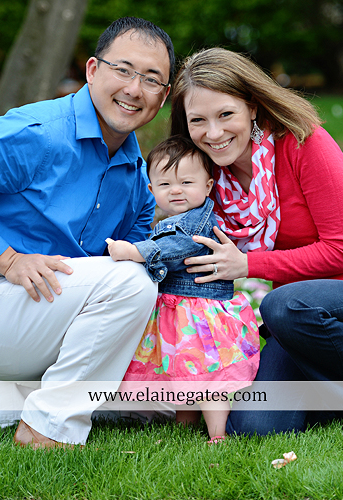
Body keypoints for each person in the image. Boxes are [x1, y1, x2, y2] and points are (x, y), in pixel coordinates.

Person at [0, 17, 175, 449]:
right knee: (132, 282)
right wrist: (8, 260)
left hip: (47, 312)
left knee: (159, 388)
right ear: (93, 70)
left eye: (151, 79)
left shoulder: (137, 180)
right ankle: (47, 427)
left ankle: (1, 396)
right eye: (124, 70)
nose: (135, 89)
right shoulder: (39, 132)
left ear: (163, 96)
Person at [168, 47, 343, 435]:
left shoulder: (303, 143)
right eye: (198, 121)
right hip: (302, 326)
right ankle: (336, 398)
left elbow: (342, 251)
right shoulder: (208, 178)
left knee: (281, 303)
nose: (213, 133)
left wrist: (247, 265)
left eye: (226, 114)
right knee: (253, 426)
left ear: (252, 106)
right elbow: (178, 233)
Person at [106, 136, 260, 442]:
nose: (176, 190)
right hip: (179, 311)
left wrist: (134, 252)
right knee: (185, 372)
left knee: (208, 379)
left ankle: (218, 433)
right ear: (151, 190)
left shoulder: (195, 223)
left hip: (199, 314)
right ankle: (184, 424)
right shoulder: (173, 219)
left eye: (186, 182)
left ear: (208, 186)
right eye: (165, 184)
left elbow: (177, 249)